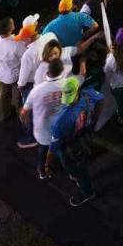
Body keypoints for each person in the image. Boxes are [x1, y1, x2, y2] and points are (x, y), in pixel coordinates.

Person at [47, 76, 101, 207]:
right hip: (84, 137)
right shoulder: (89, 94)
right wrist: (93, 122)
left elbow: (53, 148)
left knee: (77, 169)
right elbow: (101, 100)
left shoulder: (59, 121)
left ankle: (87, 192)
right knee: (82, 161)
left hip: (70, 147)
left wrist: (47, 164)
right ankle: (78, 175)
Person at [22, 57, 68, 179]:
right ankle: (70, 172)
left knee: (42, 151)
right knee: (62, 151)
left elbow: (24, 112)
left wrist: (28, 124)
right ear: (62, 71)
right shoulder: (66, 85)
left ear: (47, 73)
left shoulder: (36, 90)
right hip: (60, 127)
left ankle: (41, 172)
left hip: (41, 130)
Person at [0, 16, 29, 120]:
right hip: (16, 74)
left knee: (5, 93)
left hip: (2, 73)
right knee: (21, 92)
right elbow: (25, 55)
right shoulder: (15, 43)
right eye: (12, 22)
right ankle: (21, 111)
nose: (13, 23)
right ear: (10, 27)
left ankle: (6, 113)